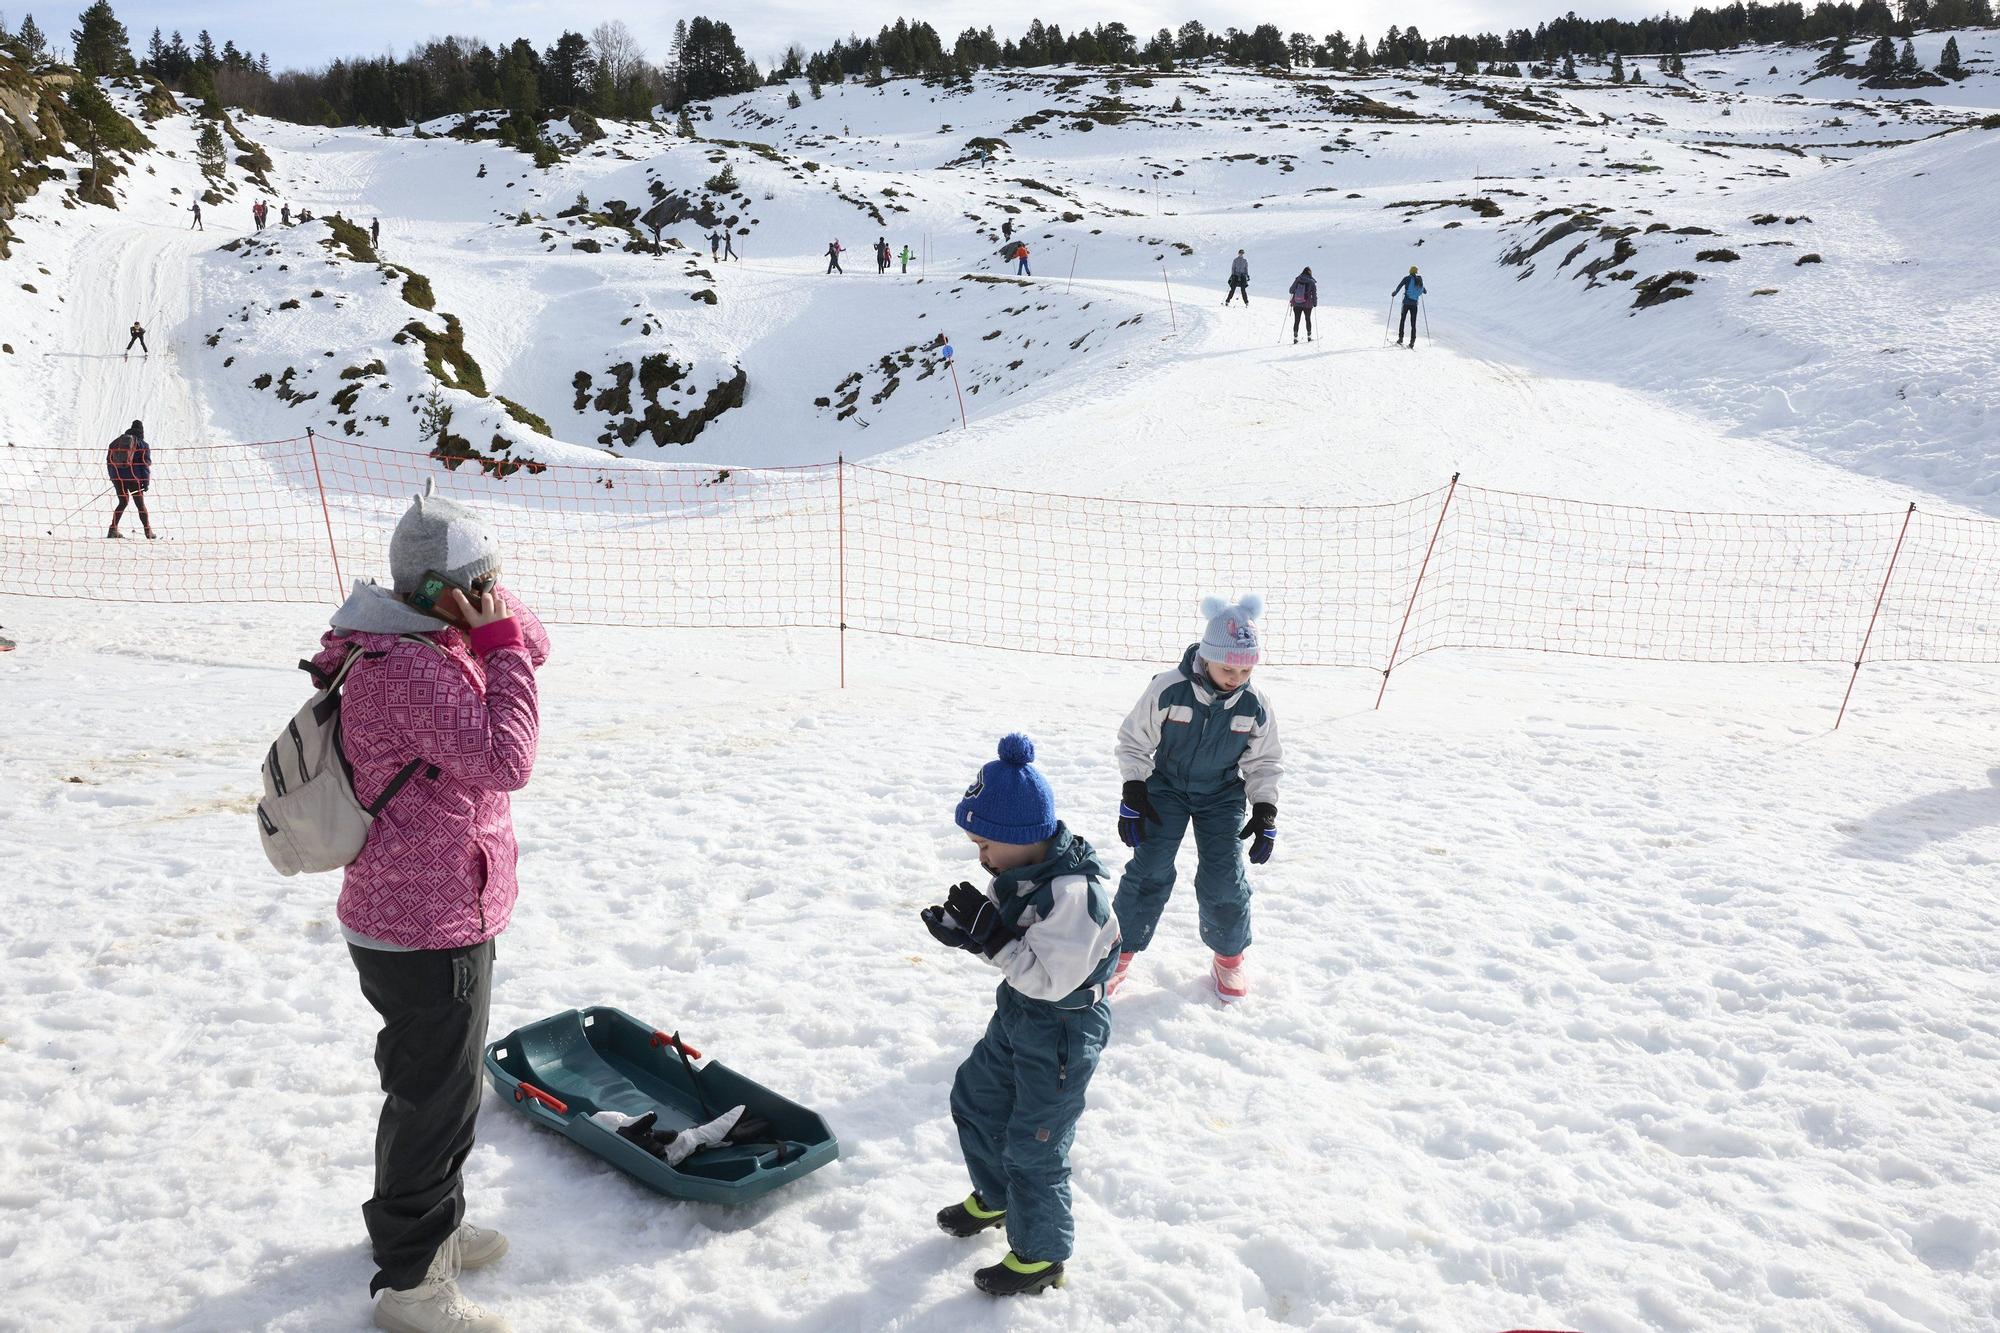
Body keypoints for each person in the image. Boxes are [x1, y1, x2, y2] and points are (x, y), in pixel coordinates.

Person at [314, 481, 550, 1333]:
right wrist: (490, 635)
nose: (497, 595)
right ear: (435, 594)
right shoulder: (408, 666)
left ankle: (427, 1221)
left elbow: (535, 646)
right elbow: (508, 754)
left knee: (432, 1088)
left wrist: (490, 616)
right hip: (422, 922)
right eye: (482, 581)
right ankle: (411, 1282)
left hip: (436, 907)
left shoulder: (414, 635)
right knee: (435, 1097)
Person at [925, 734, 1120, 1297]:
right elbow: (1017, 957)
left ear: (1023, 836)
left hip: (1063, 1029)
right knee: (976, 1097)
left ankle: (1041, 1254)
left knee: (1035, 1144)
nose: (980, 856)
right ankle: (996, 1198)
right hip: (1020, 1014)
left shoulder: (1074, 896)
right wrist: (971, 935)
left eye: (984, 843)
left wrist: (990, 942)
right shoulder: (1020, 872)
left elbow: (1049, 978)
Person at [1109, 594, 1281, 1003]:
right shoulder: (1168, 689)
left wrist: (1264, 808)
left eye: (1246, 668)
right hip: (1164, 789)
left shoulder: (1255, 705)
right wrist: (1134, 787)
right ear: (1207, 656)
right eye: (1228, 667)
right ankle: (1118, 953)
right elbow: (1134, 741)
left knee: (1223, 879)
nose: (1237, 676)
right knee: (1148, 869)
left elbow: (1265, 761)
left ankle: (1229, 956)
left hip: (1221, 796)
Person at [105, 419, 154, 540]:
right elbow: (145, 465)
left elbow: (109, 461)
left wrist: (114, 477)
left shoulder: (115, 443)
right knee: (140, 505)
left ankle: (112, 529)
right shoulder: (142, 445)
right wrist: (145, 482)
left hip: (118, 479)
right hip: (134, 479)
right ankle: (148, 532)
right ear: (141, 432)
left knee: (122, 502)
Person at [1394, 266, 1428, 348]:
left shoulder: (1406, 278)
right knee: (1413, 323)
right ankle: (1412, 342)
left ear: (1410, 271)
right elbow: (1425, 291)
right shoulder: (1419, 280)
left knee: (1402, 320)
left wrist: (1394, 293)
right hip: (1414, 305)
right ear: (1416, 272)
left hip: (1406, 303)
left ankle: (1400, 339)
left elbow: (1399, 286)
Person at [1288, 268, 1317, 343]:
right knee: (1308, 319)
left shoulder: (1298, 279)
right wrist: (1315, 303)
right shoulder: (1311, 282)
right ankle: (1309, 337)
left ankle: (1295, 338)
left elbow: (1291, 290)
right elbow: (1314, 294)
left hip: (1297, 303)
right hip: (1307, 304)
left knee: (1297, 320)